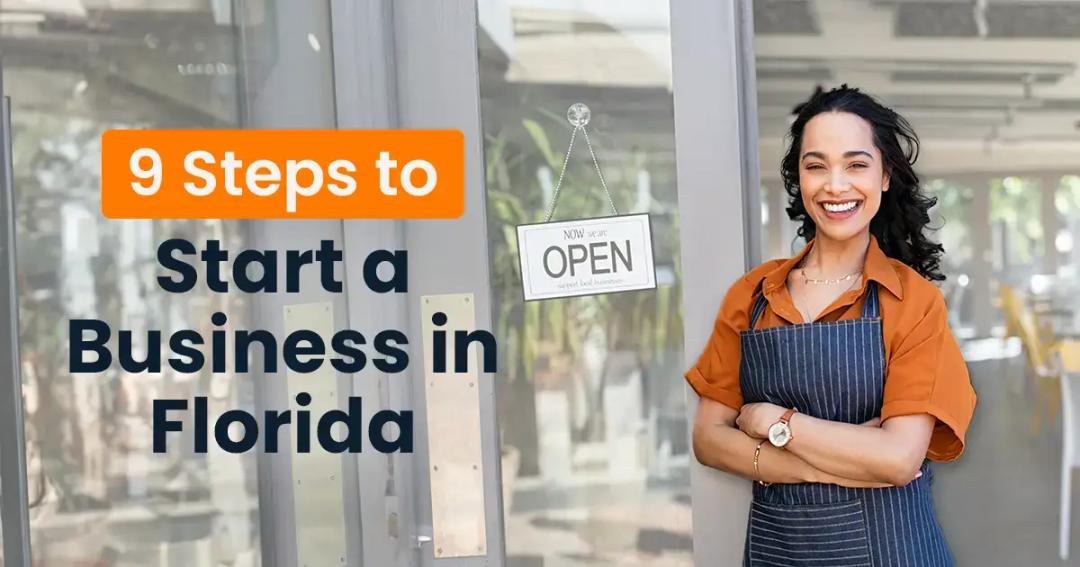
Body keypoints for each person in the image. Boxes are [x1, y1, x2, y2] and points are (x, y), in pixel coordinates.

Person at [685, 85, 977, 567]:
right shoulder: (752, 296)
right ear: (799, 179)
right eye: (816, 165)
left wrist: (774, 423)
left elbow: (898, 459)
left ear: (885, 177)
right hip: (780, 553)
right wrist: (846, 459)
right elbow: (708, 439)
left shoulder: (912, 301)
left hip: (895, 551)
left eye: (857, 165)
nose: (835, 185)